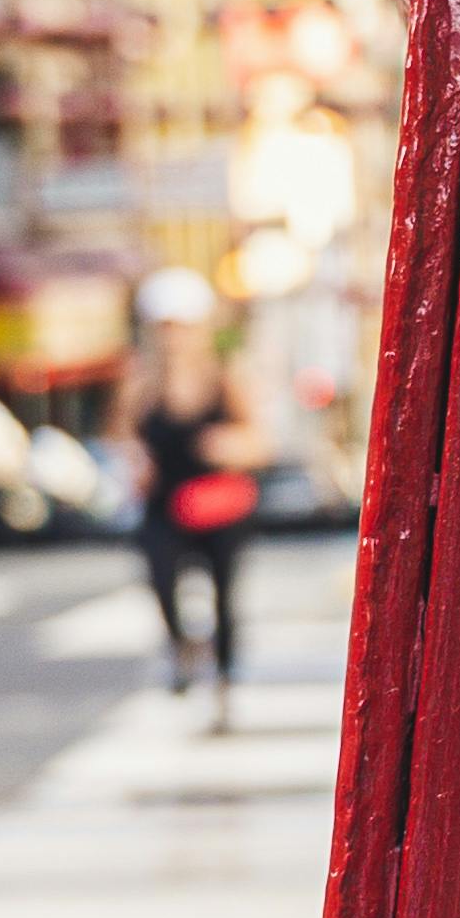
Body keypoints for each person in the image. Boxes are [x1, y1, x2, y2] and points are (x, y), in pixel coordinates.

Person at [132, 275, 260, 696]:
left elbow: (260, 439)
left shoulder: (224, 376)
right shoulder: (140, 383)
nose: (174, 338)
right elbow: (122, 436)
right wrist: (133, 460)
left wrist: (229, 446)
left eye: (182, 327)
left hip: (216, 503)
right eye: (165, 328)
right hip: (164, 502)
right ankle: (181, 647)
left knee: (224, 594)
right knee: (160, 576)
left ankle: (224, 675)